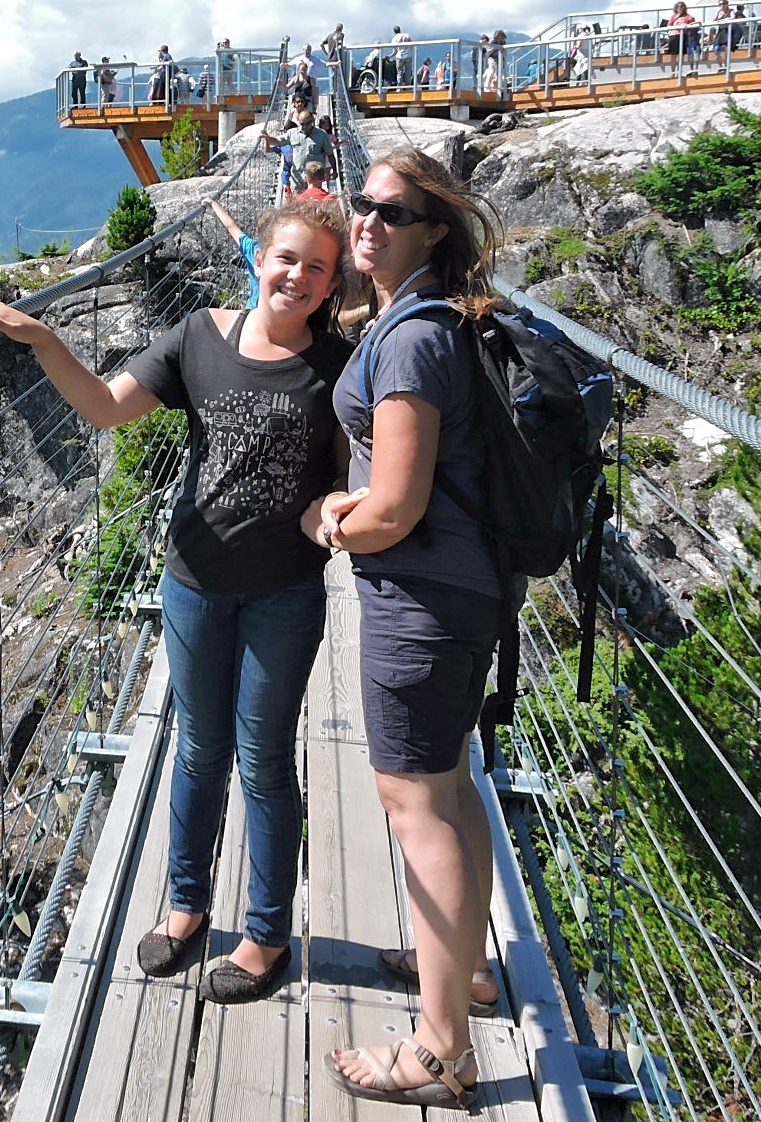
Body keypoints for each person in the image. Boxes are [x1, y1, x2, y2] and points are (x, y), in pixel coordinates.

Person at [0, 203, 355, 1007]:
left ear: (330, 285)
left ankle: (266, 933)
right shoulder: (199, 338)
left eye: (317, 268)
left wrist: (331, 510)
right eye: (288, 258)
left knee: (263, 762)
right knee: (197, 749)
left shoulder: (339, 366)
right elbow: (108, 406)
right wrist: (45, 339)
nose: (298, 276)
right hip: (192, 582)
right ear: (258, 257)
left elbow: (349, 477)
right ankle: (187, 907)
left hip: (283, 592)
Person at [315, 146, 504, 1110]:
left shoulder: (414, 338)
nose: (367, 222)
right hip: (460, 593)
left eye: (391, 211)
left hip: (419, 601)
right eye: (361, 204)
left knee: (412, 800)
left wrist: (327, 517)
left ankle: (441, 1052)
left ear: (433, 227)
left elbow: (391, 508)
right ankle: (462, 967)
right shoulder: (414, 319)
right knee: (451, 786)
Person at [661, 1, 698, 67]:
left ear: (684, 7)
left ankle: (679, 72)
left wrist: (686, 25)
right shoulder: (673, 16)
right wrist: (676, 26)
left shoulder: (688, 16)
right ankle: (673, 72)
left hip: (683, 36)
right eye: (678, 6)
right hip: (674, 36)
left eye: (681, 6)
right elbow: (668, 26)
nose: (680, 8)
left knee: (681, 56)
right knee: (673, 55)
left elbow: (693, 24)